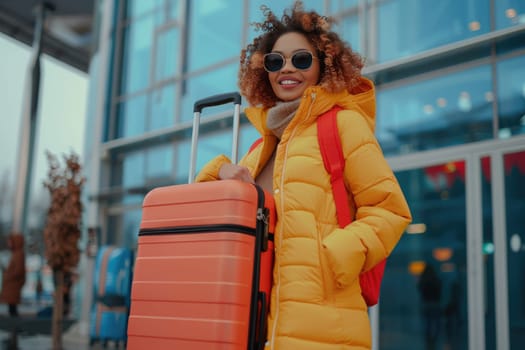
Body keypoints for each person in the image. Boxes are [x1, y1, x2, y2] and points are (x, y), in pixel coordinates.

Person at [195, 2, 412, 349]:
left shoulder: (343, 123)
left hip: (326, 326)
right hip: (257, 327)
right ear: (263, 71)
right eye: (275, 61)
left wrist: (332, 257)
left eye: (301, 59)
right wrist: (218, 169)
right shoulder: (261, 147)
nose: (287, 69)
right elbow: (204, 212)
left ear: (323, 65)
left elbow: (390, 210)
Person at [0, 233, 26, 317]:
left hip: (13, 285)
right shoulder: (16, 254)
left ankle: (15, 325)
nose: (8, 243)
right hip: (11, 285)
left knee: (12, 307)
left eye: (10, 241)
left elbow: (18, 271)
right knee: (11, 307)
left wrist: (8, 275)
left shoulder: (19, 254)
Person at [418, 264, 442, 350]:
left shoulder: (424, 280)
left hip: (427, 304)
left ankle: (429, 339)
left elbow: (420, 288)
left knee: (427, 323)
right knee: (435, 323)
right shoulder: (436, 279)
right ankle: (433, 339)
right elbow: (439, 289)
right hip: (434, 304)